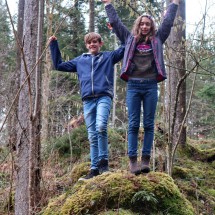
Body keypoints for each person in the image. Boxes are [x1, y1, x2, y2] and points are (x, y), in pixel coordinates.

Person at [102, 0, 180, 174]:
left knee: (149, 124)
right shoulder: (129, 39)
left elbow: (167, 22)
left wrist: (174, 4)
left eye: (148, 24)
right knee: (134, 124)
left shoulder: (158, 39)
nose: (144, 26)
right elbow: (116, 23)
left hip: (151, 86)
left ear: (151, 26)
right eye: (142, 24)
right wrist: (108, 4)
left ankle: (145, 160)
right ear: (138, 25)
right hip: (133, 86)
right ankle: (132, 162)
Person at [49, 32, 124, 180]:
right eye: (89, 43)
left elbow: (124, 46)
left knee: (101, 126)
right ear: (86, 45)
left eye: (95, 42)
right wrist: (53, 45)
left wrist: (115, 28)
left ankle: (104, 164)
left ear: (100, 43)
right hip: (88, 100)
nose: (92, 45)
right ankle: (94, 168)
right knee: (92, 135)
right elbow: (58, 65)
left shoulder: (108, 57)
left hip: (103, 96)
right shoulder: (80, 61)